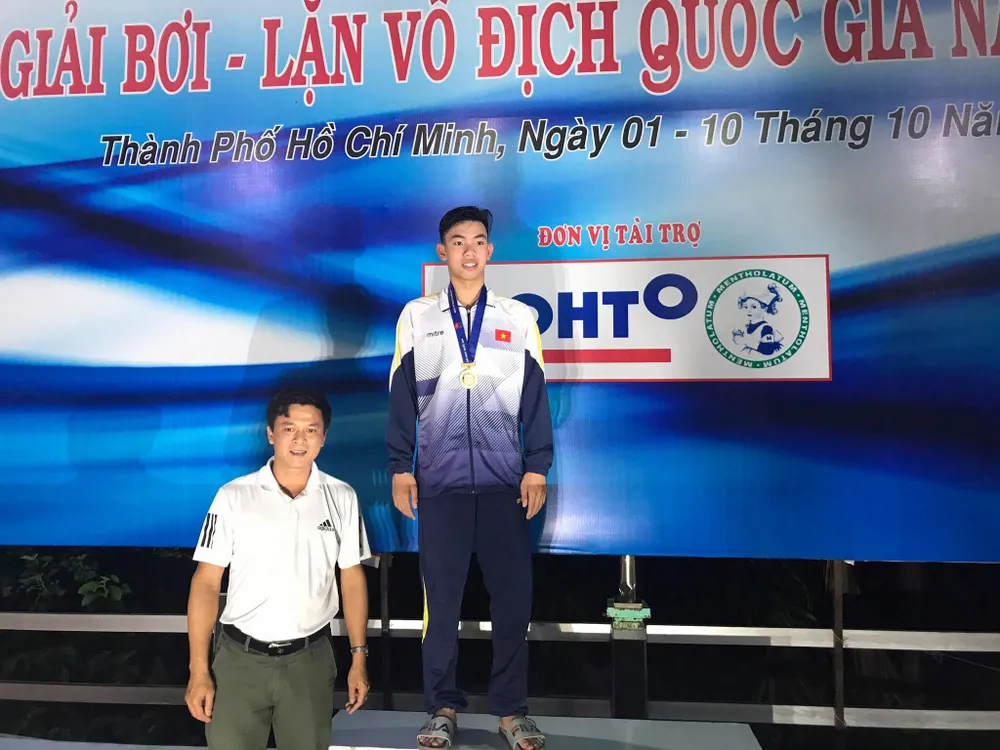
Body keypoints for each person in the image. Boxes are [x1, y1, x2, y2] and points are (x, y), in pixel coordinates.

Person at [386, 206, 554, 749]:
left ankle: (511, 711)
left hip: (506, 484)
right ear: (443, 252)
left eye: (478, 241)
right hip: (440, 484)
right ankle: (441, 708)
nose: (469, 251)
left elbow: (536, 396)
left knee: (513, 602)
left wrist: (536, 466)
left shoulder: (518, 317)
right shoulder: (417, 316)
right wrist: (400, 467)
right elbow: (400, 395)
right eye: (457, 242)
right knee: (441, 605)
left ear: (490, 250)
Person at [185, 387, 372, 750]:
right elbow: (206, 582)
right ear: (271, 433)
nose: (300, 440)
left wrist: (359, 657)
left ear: (324, 437)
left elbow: (351, 578)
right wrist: (198, 669)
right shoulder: (233, 496)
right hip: (239, 661)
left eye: (311, 430)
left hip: (310, 661)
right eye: (289, 429)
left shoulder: (342, 496)